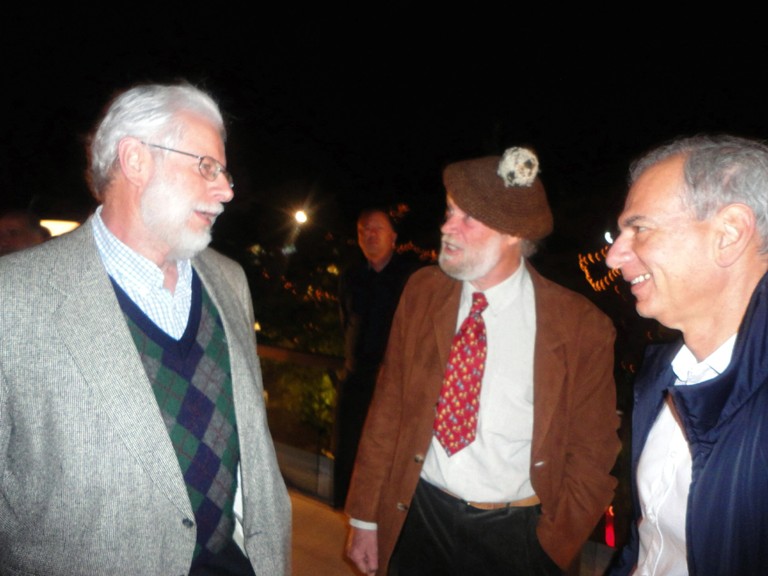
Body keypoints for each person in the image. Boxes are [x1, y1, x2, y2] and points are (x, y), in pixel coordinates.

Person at [0, 83, 291, 575]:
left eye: (224, 172)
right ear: (135, 160)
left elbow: (253, 450)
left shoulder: (230, 281)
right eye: (207, 167)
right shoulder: (14, 298)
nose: (226, 190)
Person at [344, 147, 620, 575]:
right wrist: (365, 518)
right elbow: (388, 408)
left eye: (467, 218)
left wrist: (552, 546)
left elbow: (593, 452)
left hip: (518, 536)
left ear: (513, 232)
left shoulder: (581, 327)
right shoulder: (423, 292)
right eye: (449, 212)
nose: (446, 227)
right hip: (419, 516)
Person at [606, 135, 768, 576]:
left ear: (729, 234)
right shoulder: (660, 377)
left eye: (640, 228)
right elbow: (647, 540)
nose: (614, 256)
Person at [334, 207, 419, 507]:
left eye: (376, 229)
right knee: (349, 454)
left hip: (394, 386)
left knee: (387, 463)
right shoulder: (351, 276)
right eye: (363, 231)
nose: (369, 235)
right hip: (355, 380)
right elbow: (347, 324)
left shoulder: (411, 278)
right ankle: (349, 511)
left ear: (393, 237)